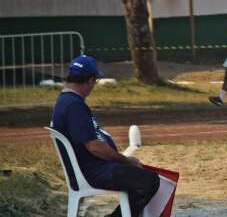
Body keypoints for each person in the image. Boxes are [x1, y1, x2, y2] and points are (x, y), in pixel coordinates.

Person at [50, 55, 159, 217]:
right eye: (95, 81)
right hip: (92, 173)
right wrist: (126, 160)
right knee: (149, 181)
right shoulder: (73, 105)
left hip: (88, 169)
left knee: (141, 178)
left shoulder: (67, 101)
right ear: (89, 80)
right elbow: (95, 147)